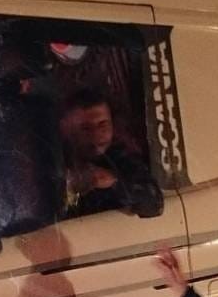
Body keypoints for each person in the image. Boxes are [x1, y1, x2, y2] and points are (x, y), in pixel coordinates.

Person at [59, 89, 162, 219]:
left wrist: (112, 181)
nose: (96, 134)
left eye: (103, 124)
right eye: (85, 128)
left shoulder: (121, 158)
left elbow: (153, 204)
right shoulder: (54, 159)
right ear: (65, 129)